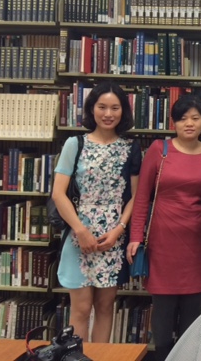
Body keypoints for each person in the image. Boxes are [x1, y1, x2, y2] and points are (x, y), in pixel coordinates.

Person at [52, 81, 141, 342]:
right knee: (80, 309)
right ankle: (77, 358)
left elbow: (136, 196)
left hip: (112, 239)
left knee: (105, 307)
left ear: (123, 111)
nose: (108, 114)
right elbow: (58, 193)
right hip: (78, 234)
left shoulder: (131, 147)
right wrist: (80, 231)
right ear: (92, 109)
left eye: (115, 108)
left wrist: (119, 230)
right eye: (102, 107)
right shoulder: (74, 144)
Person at [126, 95, 201, 361]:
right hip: (162, 244)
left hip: (196, 244)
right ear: (173, 123)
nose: (189, 123)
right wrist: (136, 236)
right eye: (183, 118)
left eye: (195, 118)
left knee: (192, 316)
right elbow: (142, 197)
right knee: (162, 319)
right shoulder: (159, 150)